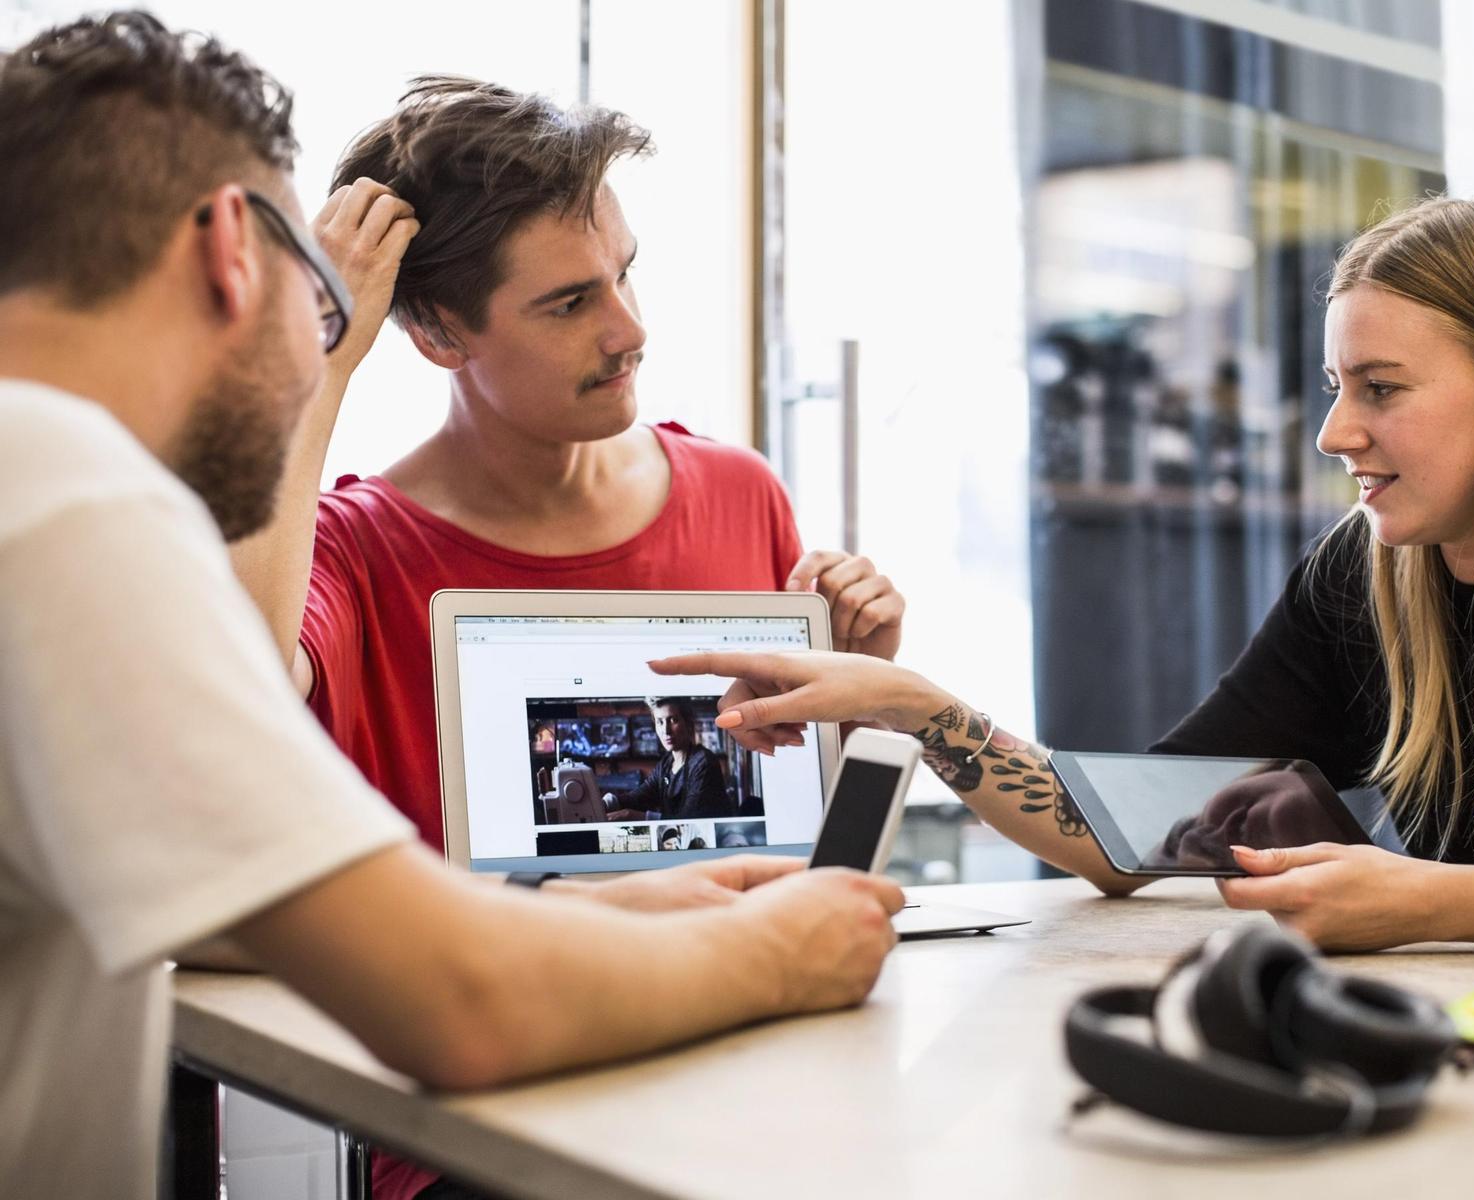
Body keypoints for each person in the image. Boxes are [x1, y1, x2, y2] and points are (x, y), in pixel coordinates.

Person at [0, 15, 900, 1195]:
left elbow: (204, 899)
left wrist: (610, 908)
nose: (626, 331)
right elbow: (455, 1004)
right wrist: (781, 950)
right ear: (236, 248)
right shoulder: (54, 490)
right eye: (314, 295)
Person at [652, 191, 1474, 955]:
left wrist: (1441, 898)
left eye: (1379, 389)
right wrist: (915, 711)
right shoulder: (1358, 582)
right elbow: (1121, 840)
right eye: (1334, 387)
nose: (1334, 434)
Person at [227, 74, 908, 854]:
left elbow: (809, 846)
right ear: (441, 336)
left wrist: (864, 690)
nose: (630, 331)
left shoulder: (739, 491)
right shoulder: (347, 553)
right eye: (571, 303)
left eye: (624, 274)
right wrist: (315, 355)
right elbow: (238, 692)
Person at [608, 698, 731, 820]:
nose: (666, 731)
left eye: (673, 720)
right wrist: (608, 802)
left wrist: (637, 816)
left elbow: (689, 821)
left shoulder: (703, 763)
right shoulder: (666, 764)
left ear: (688, 722)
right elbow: (639, 796)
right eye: (659, 722)